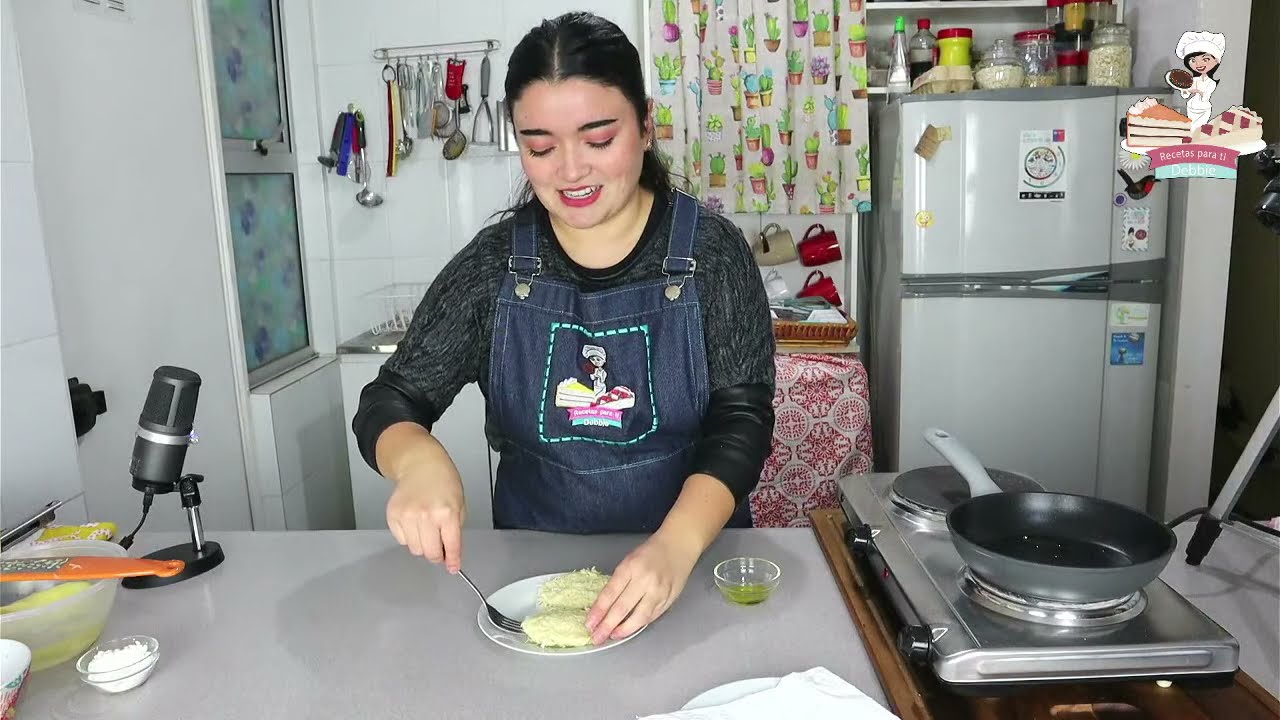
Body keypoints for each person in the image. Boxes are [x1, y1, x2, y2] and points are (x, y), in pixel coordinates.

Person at [351, 11, 776, 646]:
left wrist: (675, 547)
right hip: (534, 574)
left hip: (690, 564)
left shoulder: (711, 253)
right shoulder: (496, 263)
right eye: (541, 147)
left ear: (646, 127)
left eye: (599, 139)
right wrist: (418, 462)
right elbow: (389, 401)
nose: (570, 170)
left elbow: (742, 418)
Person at [1175, 31, 1225, 130]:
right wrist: (1184, 89)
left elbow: (1205, 96)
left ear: (1216, 61)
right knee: (1192, 128)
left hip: (1203, 109)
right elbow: (1185, 94)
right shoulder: (1194, 79)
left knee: (1198, 128)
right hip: (1191, 107)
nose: (1198, 64)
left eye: (1205, 59)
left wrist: (1196, 90)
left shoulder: (1211, 83)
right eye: (1193, 60)